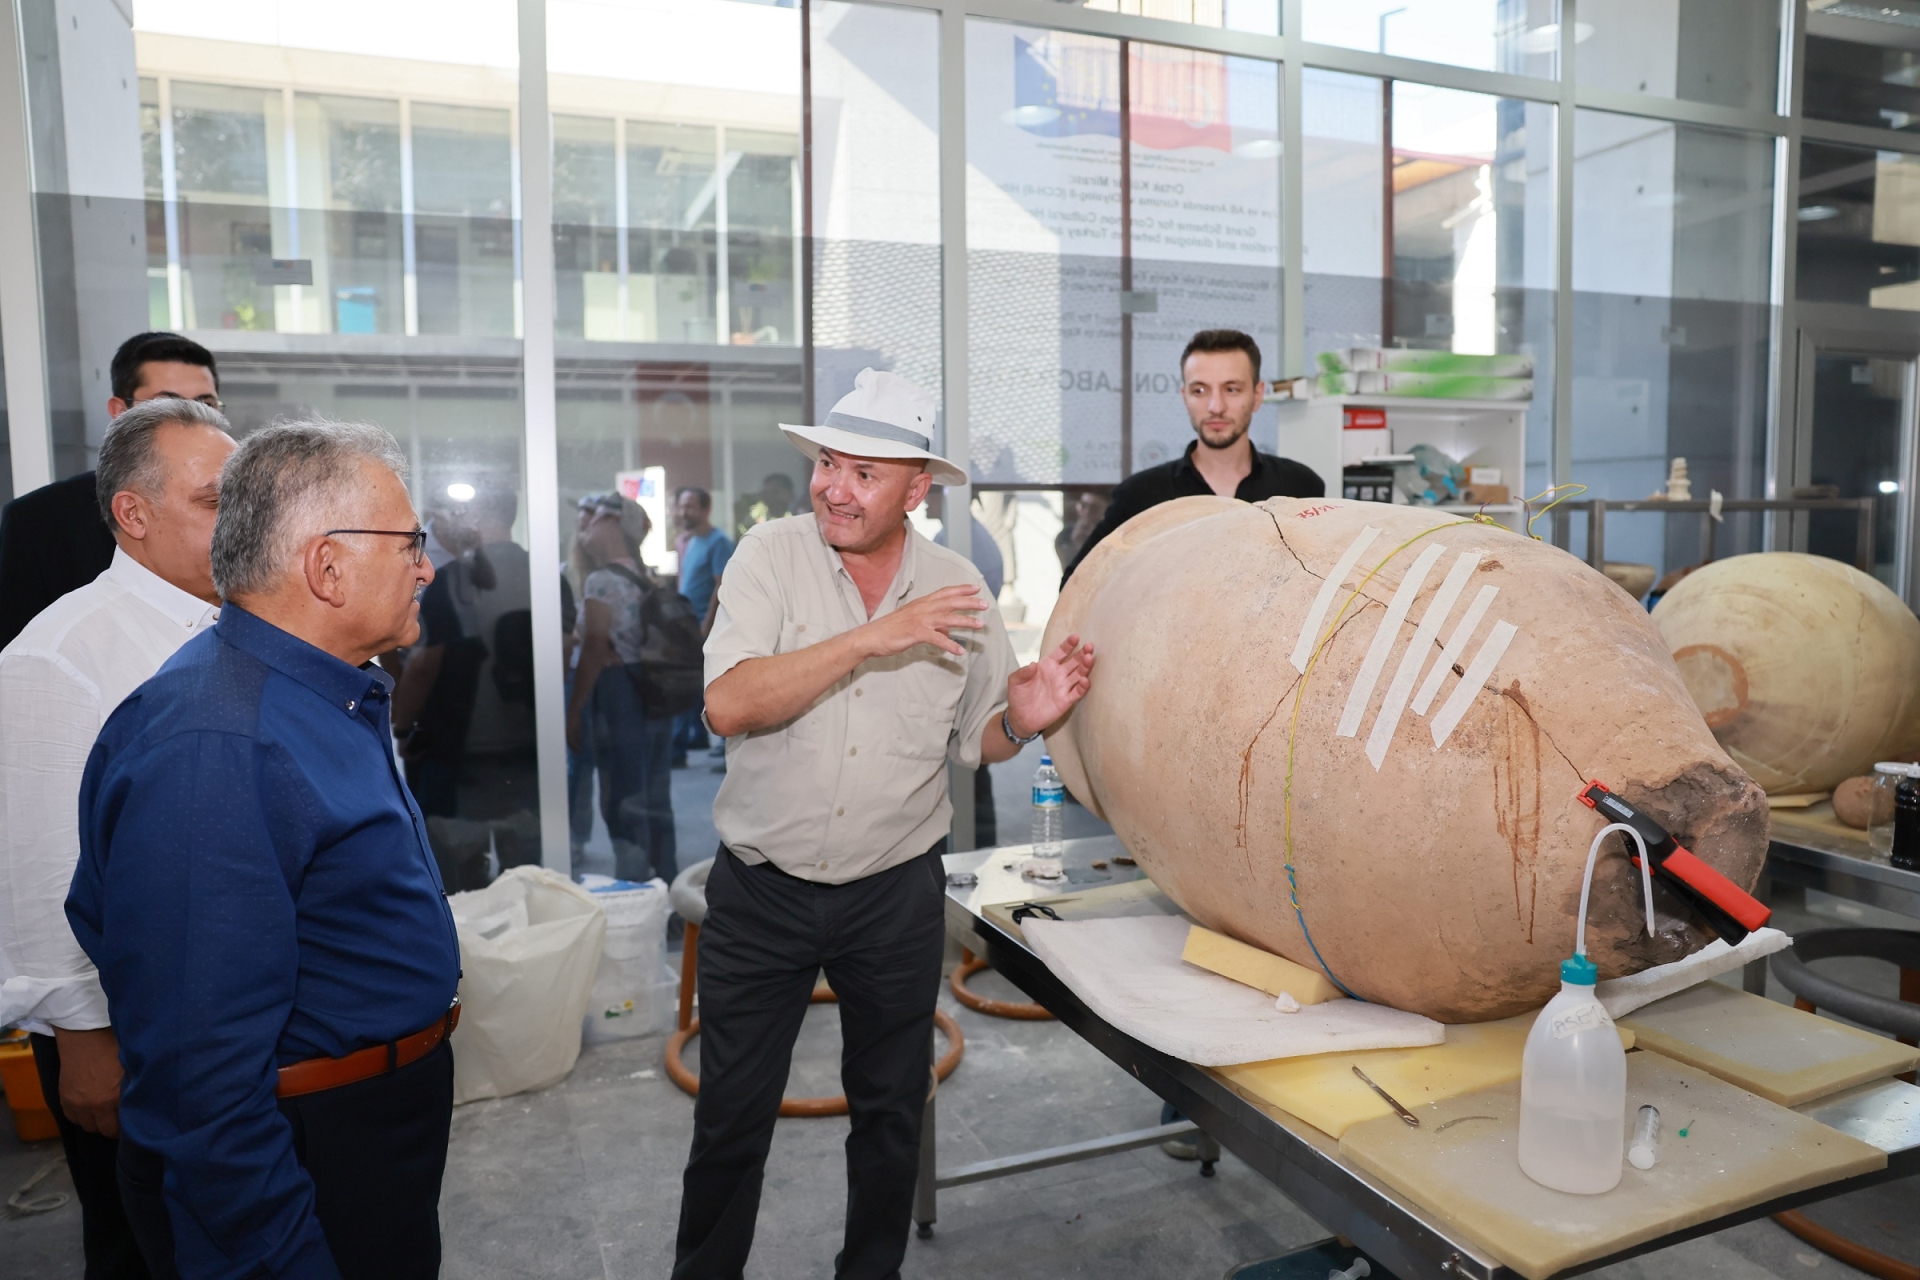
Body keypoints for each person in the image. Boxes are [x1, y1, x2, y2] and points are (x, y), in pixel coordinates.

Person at [673, 367, 1094, 1279]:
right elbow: (729, 704)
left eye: (866, 473)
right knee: (731, 1120)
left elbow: (983, 738)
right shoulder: (768, 559)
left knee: (891, 1113)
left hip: (894, 895)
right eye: (830, 462)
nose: (834, 486)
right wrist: (872, 637)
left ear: (918, 490)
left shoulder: (960, 589)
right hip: (762, 889)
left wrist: (1025, 712)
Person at [68, 419, 460, 1280]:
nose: (426, 568)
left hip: (371, 1126)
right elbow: (200, 1081)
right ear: (327, 566)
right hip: (300, 1154)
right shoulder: (216, 744)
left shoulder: (317, 691)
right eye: (409, 544)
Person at [0, 399, 234, 1280]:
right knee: (140, 1243)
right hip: (123, 1031)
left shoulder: (237, 625)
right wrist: (84, 1040)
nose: (240, 521)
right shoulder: (60, 654)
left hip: (219, 1013)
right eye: (215, 501)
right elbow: (35, 865)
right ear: (133, 515)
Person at [0, 331, 222, 648]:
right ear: (119, 411)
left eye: (206, 404)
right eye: (169, 405)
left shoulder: (248, 508)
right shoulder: (37, 520)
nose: (192, 420)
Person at [1061, 329, 1323, 583]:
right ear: (1184, 396)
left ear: (1257, 395)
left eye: (1231, 389)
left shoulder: (1300, 487)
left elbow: (1328, 581)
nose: (1215, 407)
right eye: (1200, 391)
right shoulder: (1141, 495)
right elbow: (1077, 584)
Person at [567, 493, 678, 883]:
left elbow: (596, 646)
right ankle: (664, 879)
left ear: (615, 525)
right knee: (654, 794)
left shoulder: (602, 581)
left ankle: (634, 884)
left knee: (621, 795)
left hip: (617, 694)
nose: (588, 525)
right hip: (651, 690)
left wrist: (575, 707)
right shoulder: (646, 576)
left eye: (596, 518)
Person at [671, 486, 733, 767]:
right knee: (689, 685)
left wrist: (705, 626)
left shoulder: (718, 542)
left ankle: (721, 745)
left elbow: (721, 586)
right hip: (685, 625)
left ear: (706, 509)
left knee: (712, 685)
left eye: (691, 507)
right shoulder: (687, 540)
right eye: (682, 506)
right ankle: (684, 744)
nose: (685, 512)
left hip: (704, 627)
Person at [734, 471, 797, 538]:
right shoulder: (753, 522)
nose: (771, 498)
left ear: (790, 495)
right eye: (767, 493)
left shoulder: (798, 521)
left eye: (775, 492)